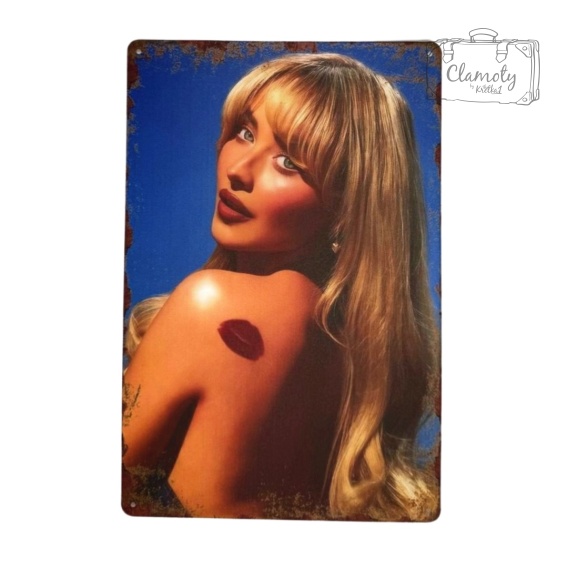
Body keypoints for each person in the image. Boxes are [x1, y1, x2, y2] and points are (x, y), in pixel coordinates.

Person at [122, 52, 440, 521]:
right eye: (245, 132)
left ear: (347, 208)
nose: (239, 169)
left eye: (289, 162)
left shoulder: (213, 305)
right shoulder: (362, 361)